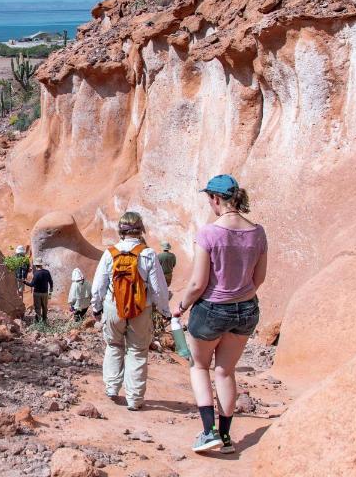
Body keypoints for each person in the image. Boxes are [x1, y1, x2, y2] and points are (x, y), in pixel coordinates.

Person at [173, 174, 268, 454]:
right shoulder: (258, 232)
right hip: (247, 310)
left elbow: (197, 283)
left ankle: (207, 432)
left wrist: (181, 306)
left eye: (210, 199)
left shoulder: (209, 233)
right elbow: (259, 279)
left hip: (212, 309)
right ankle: (226, 438)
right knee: (225, 372)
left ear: (215, 199)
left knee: (200, 367)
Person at [91, 211, 170, 411]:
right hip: (140, 309)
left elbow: (98, 286)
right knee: (137, 351)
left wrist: (96, 307)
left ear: (121, 230)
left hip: (112, 307)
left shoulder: (110, 253)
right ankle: (134, 399)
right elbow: (158, 288)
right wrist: (164, 310)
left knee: (114, 345)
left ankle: (111, 387)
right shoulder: (148, 254)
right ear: (140, 229)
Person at [23, 258, 53, 323]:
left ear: (36, 265)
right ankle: (44, 320)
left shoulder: (36, 274)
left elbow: (32, 285)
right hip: (45, 293)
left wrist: (24, 282)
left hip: (37, 294)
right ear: (41, 265)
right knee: (45, 307)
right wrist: (50, 292)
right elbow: (51, 282)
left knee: (38, 307)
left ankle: (38, 321)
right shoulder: (47, 272)